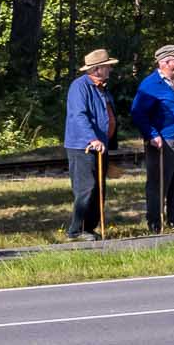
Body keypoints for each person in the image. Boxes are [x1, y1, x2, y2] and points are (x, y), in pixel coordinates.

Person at [129, 43, 174, 232]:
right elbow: (138, 113)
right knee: (159, 184)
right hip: (163, 142)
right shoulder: (150, 85)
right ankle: (155, 224)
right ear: (166, 62)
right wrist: (151, 134)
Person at [62, 48, 117, 241]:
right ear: (97, 68)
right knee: (87, 187)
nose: (110, 69)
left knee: (99, 188)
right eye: (107, 66)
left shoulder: (102, 87)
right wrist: (91, 138)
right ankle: (75, 230)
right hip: (82, 145)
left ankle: (89, 228)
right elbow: (78, 115)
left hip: (100, 145)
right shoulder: (80, 86)